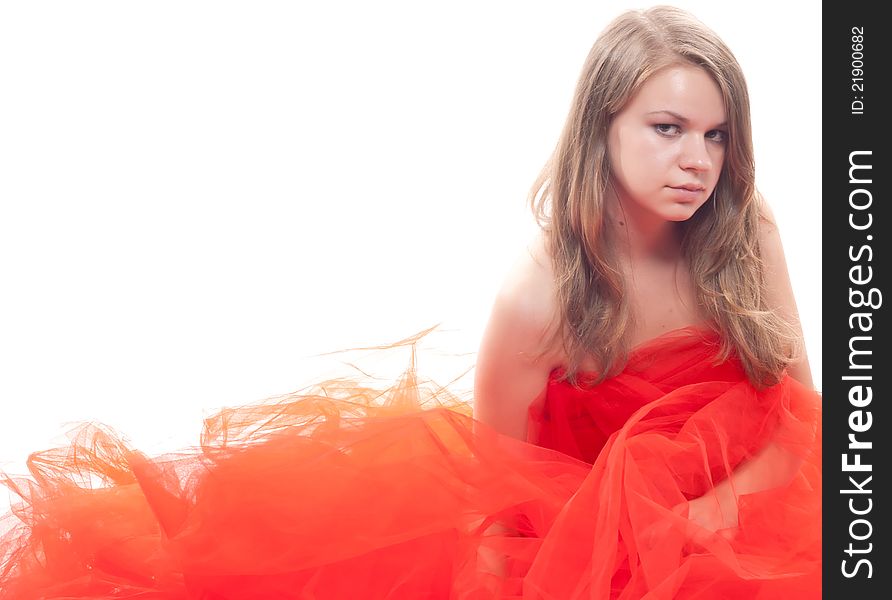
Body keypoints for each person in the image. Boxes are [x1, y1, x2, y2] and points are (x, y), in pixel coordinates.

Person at [0, 6, 820, 599]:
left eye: (717, 135)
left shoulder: (747, 234)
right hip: (590, 557)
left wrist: (716, 512)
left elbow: (802, 413)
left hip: (753, 516)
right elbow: (502, 502)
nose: (698, 160)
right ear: (602, 128)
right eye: (668, 128)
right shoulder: (539, 294)